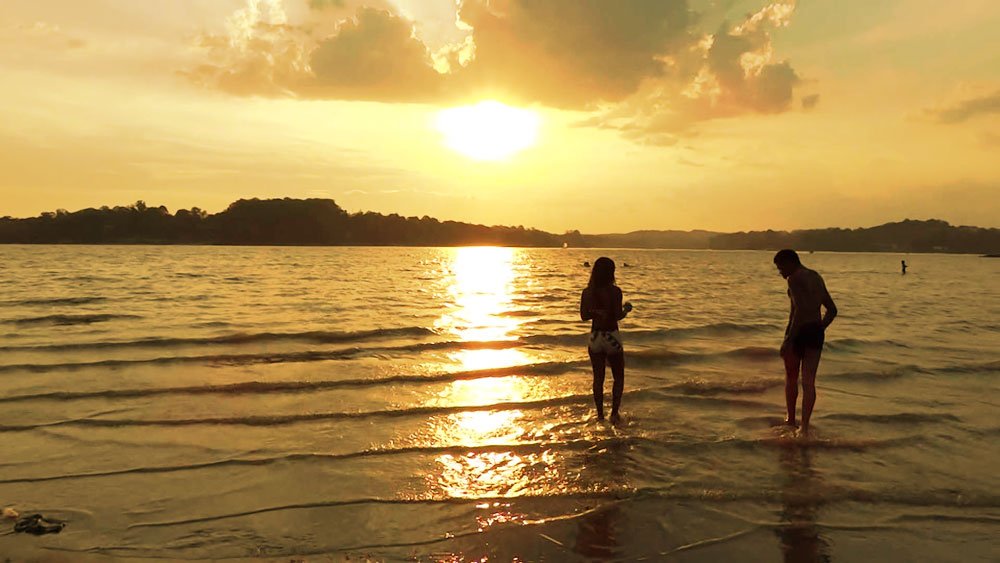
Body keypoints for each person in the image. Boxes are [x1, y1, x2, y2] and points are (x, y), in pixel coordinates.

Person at [774, 249, 837, 434]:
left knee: (791, 378)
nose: (780, 272)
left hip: (799, 333)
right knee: (809, 382)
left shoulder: (794, 279)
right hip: (815, 333)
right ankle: (805, 428)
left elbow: (799, 312)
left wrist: (788, 339)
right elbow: (832, 309)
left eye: (780, 268)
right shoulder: (816, 277)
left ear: (790, 262)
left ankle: (791, 420)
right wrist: (820, 327)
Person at [580, 257, 632, 423]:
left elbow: (583, 316)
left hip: (595, 337)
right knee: (618, 376)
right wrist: (626, 310)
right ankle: (614, 414)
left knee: (598, 378)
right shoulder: (615, 292)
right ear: (611, 272)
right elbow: (617, 316)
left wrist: (596, 313)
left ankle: (600, 415)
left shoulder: (587, 292)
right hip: (611, 336)